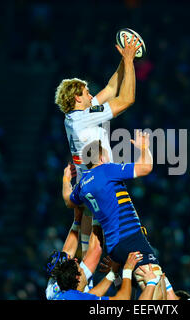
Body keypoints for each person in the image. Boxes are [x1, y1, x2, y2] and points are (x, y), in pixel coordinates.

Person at [54, 33, 143, 258]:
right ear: (77, 99)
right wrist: (131, 61)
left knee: (90, 245)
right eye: (86, 93)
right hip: (101, 186)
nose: (92, 96)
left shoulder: (75, 116)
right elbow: (126, 99)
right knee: (101, 245)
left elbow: (111, 88)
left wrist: (124, 58)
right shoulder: (83, 118)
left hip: (88, 186)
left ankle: (79, 284)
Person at [61, 131, 174, 299]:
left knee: (137, 289)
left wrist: (65, 179)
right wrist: (144, 148)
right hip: (130, 238)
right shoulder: (106, 170)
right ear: (101, 158)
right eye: (107, 156)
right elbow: (145, 167)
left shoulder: (83, 185)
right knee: (155, 286)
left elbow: (69, 202)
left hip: (114, 249)